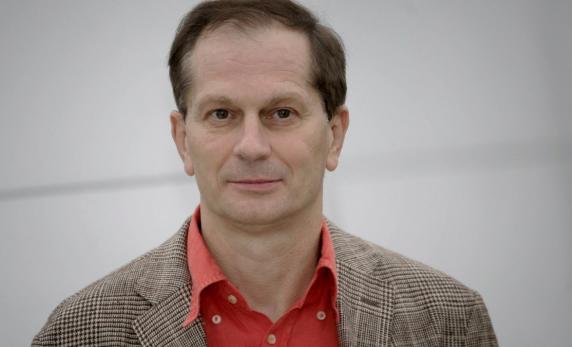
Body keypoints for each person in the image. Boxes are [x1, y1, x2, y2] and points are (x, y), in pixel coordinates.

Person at [32, 0, 498, 346]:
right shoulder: (76, 331)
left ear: (334, 135)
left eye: (281, 113)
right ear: (182, 140)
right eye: (221, 114)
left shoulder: (449, 319)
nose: (251, 147)